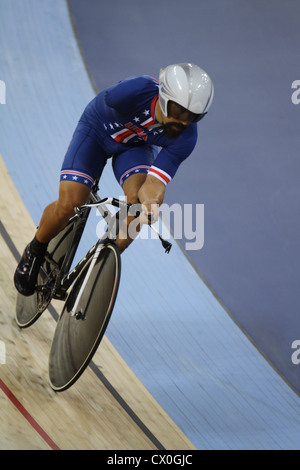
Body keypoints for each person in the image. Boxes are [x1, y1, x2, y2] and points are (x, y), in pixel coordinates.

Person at [14, 63, 214, 297]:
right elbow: (103, 103)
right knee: (70, 203)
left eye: (194, 116)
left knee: (138, 207)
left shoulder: (187, 138)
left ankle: (100, 267)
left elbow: (155, 184)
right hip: (97, 132)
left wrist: (150, 204)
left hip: (134, 147)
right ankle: (35, 248)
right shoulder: (136, 90)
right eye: (179, 112)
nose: (184, 122)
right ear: (163, 97)